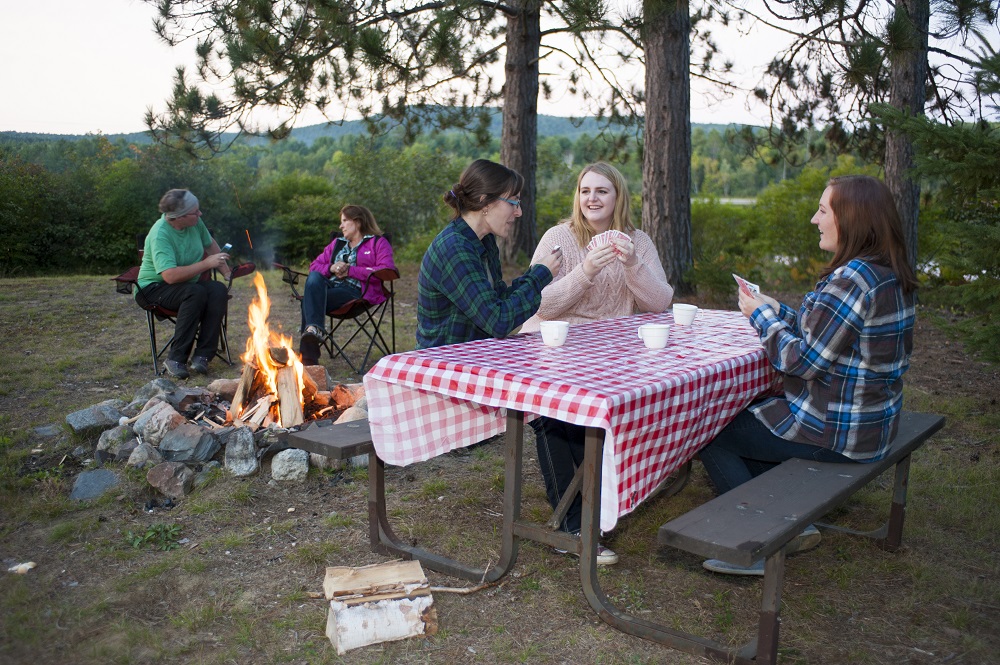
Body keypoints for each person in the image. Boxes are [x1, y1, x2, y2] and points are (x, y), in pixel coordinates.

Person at [697, 175, 919, 575]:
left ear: (851, 219)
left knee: (708, 427)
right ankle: (783, 521)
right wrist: (774, 308)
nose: (814, 219)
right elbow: (826, 332)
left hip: (840, 433)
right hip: (874, 422)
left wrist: (760, 317)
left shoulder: (852, 279)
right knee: (752, 414)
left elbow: (801, 362)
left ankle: (758, 544)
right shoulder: (887, 273)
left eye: (822, 210)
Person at [520, 162, 675, 566]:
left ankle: (603, 503)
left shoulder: (637, 242)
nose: (592, 198)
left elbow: (660, 303)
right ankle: (572, 525)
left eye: (602, 191)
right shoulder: (559, 238)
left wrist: (630, 265)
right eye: (585, 190)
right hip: (559, 345)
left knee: (611, 422)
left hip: (616, 350)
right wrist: (586, 270)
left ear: (617, 197)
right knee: (552, 418)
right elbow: (539, 302)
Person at [416, 159, 562, 349]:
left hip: (474, 356)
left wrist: (535, 273)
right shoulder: (455, 249)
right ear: (484, 202)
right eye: (513, 202)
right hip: (443, 365)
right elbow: (498, 322)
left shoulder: (483, 240)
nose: (519, 212)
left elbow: (498, 301)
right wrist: (539, 276)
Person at [136, 189, 232, 379]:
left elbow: (210, 243)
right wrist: (206, 263)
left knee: (217, 290)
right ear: (178, 217)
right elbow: (170, 276)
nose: (200, 214)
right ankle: (176, 359)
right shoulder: (160, 234)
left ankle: (203, 355)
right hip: (153, 289)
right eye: (195, 212)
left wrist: (227, 273)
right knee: (195, 293)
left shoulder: (194, 223)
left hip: (187, 285)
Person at [299, 205, 397, 366]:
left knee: (307, 301)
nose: (341, 226)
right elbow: (314, 266)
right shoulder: (337, 244)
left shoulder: (378, 243)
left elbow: (386, 269)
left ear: (357, 222)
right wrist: (331, 268)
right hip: (330, 287)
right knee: (315, 277)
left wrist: (351, 271)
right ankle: (314, 329)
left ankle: (308, 360)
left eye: (345, 221)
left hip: (357, 292)